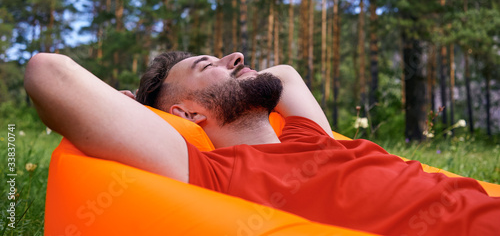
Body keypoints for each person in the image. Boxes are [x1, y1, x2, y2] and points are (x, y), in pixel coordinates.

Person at [25, 51, 499, 236]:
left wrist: (226, 79)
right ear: (188, 114)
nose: (238, 55)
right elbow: (47, 73)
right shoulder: (214, 176)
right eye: (207, 63)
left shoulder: (309, 134)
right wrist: (136, 110)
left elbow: (287, 76)